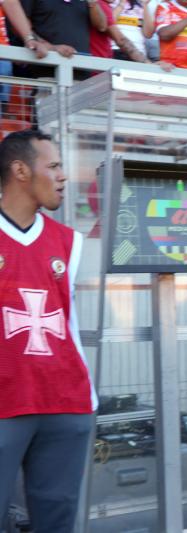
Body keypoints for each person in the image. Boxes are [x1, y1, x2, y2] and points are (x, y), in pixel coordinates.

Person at [0, 129, 96, 532]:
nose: (63, 175)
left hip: (66, 402)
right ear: (21, 170)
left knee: (57, 520)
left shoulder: (69, 242)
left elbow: (69, 323)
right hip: (5, 403)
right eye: (53, 165)